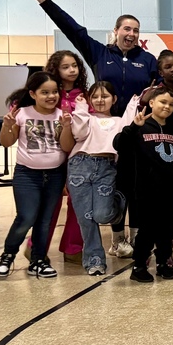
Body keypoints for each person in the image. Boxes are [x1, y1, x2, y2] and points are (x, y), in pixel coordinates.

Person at [29, 0, 157, 116]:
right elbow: (73, 30)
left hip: (138, 122)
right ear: (116, 31)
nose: (132, 34)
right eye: (127, 29)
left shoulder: (148, 60)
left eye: (136, 31)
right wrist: (43, 0)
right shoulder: (100, 54)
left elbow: (161, 90)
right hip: (103, 120)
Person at [115, 88, 173, 283]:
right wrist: (132, 127)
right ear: (151, 103)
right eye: (162, 102)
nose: (167, 106)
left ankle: (163, 262)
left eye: (171, 104)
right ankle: (139, 264)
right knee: (148, 229)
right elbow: (119, 145)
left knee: (167, 229)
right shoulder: (140, 126)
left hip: (171, 189)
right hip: (146, 189)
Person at [0, 73, 67, 279]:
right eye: (45, 92)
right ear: (33, 94)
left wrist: (67, 126)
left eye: (54, 92)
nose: (51, 96)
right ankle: (8, 255)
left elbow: (66, 146)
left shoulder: (61, 115)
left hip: (55, 175)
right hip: (27, 175)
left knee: (45, 220)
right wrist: (8, 125)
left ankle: (38, 260)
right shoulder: (21, 114)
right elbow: (7, 142)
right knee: (26, 216)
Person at [57, 82, 131, 275]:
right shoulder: (85, 117)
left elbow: (127, 131)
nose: (100, 100)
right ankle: (94, 262)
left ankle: (120, 203)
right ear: (90, 99)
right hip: (79, 166)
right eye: (95, 96)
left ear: (113, 99)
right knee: (86, 220)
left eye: (105, 96)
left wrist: (134, 103)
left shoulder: (118, 120)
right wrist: (80, 109)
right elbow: (79, 133)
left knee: (101, 215)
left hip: (106, 167)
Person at [41, 50, 89, 265]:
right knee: (50, 204)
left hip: (78, 157)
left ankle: (73, 248)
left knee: (77, 203)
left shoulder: (85, 96)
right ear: (55, 70)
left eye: (75, 66)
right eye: (65, 66)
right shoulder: (50, 93)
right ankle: (36, 246)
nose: (72, 70)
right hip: (50, 156)